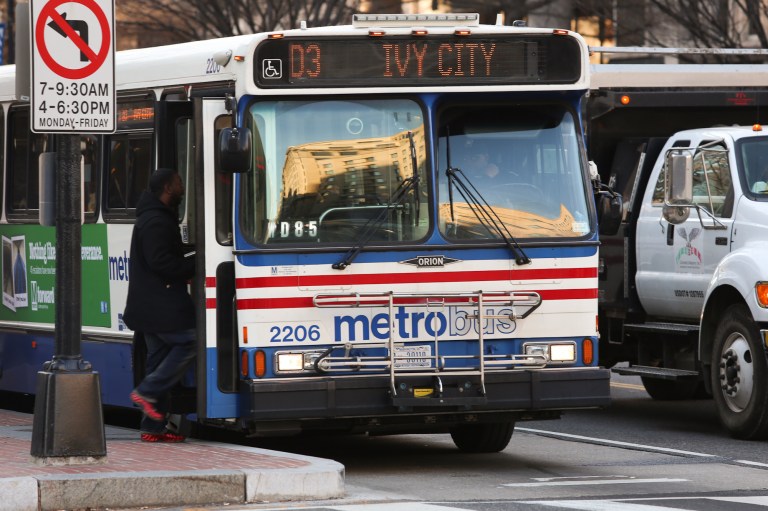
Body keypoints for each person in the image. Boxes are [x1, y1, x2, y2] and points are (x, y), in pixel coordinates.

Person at [123, 168, 196, 443]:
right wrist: (194, 265)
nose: (182, 187)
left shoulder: (152, 217)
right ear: (167, 188)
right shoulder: (156, 221)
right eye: (179, 183)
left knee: (158, 359)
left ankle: (152, 427)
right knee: (191, 341)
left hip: (148, 305)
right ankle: (148, 391)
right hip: (160, 305)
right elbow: (161, 262)